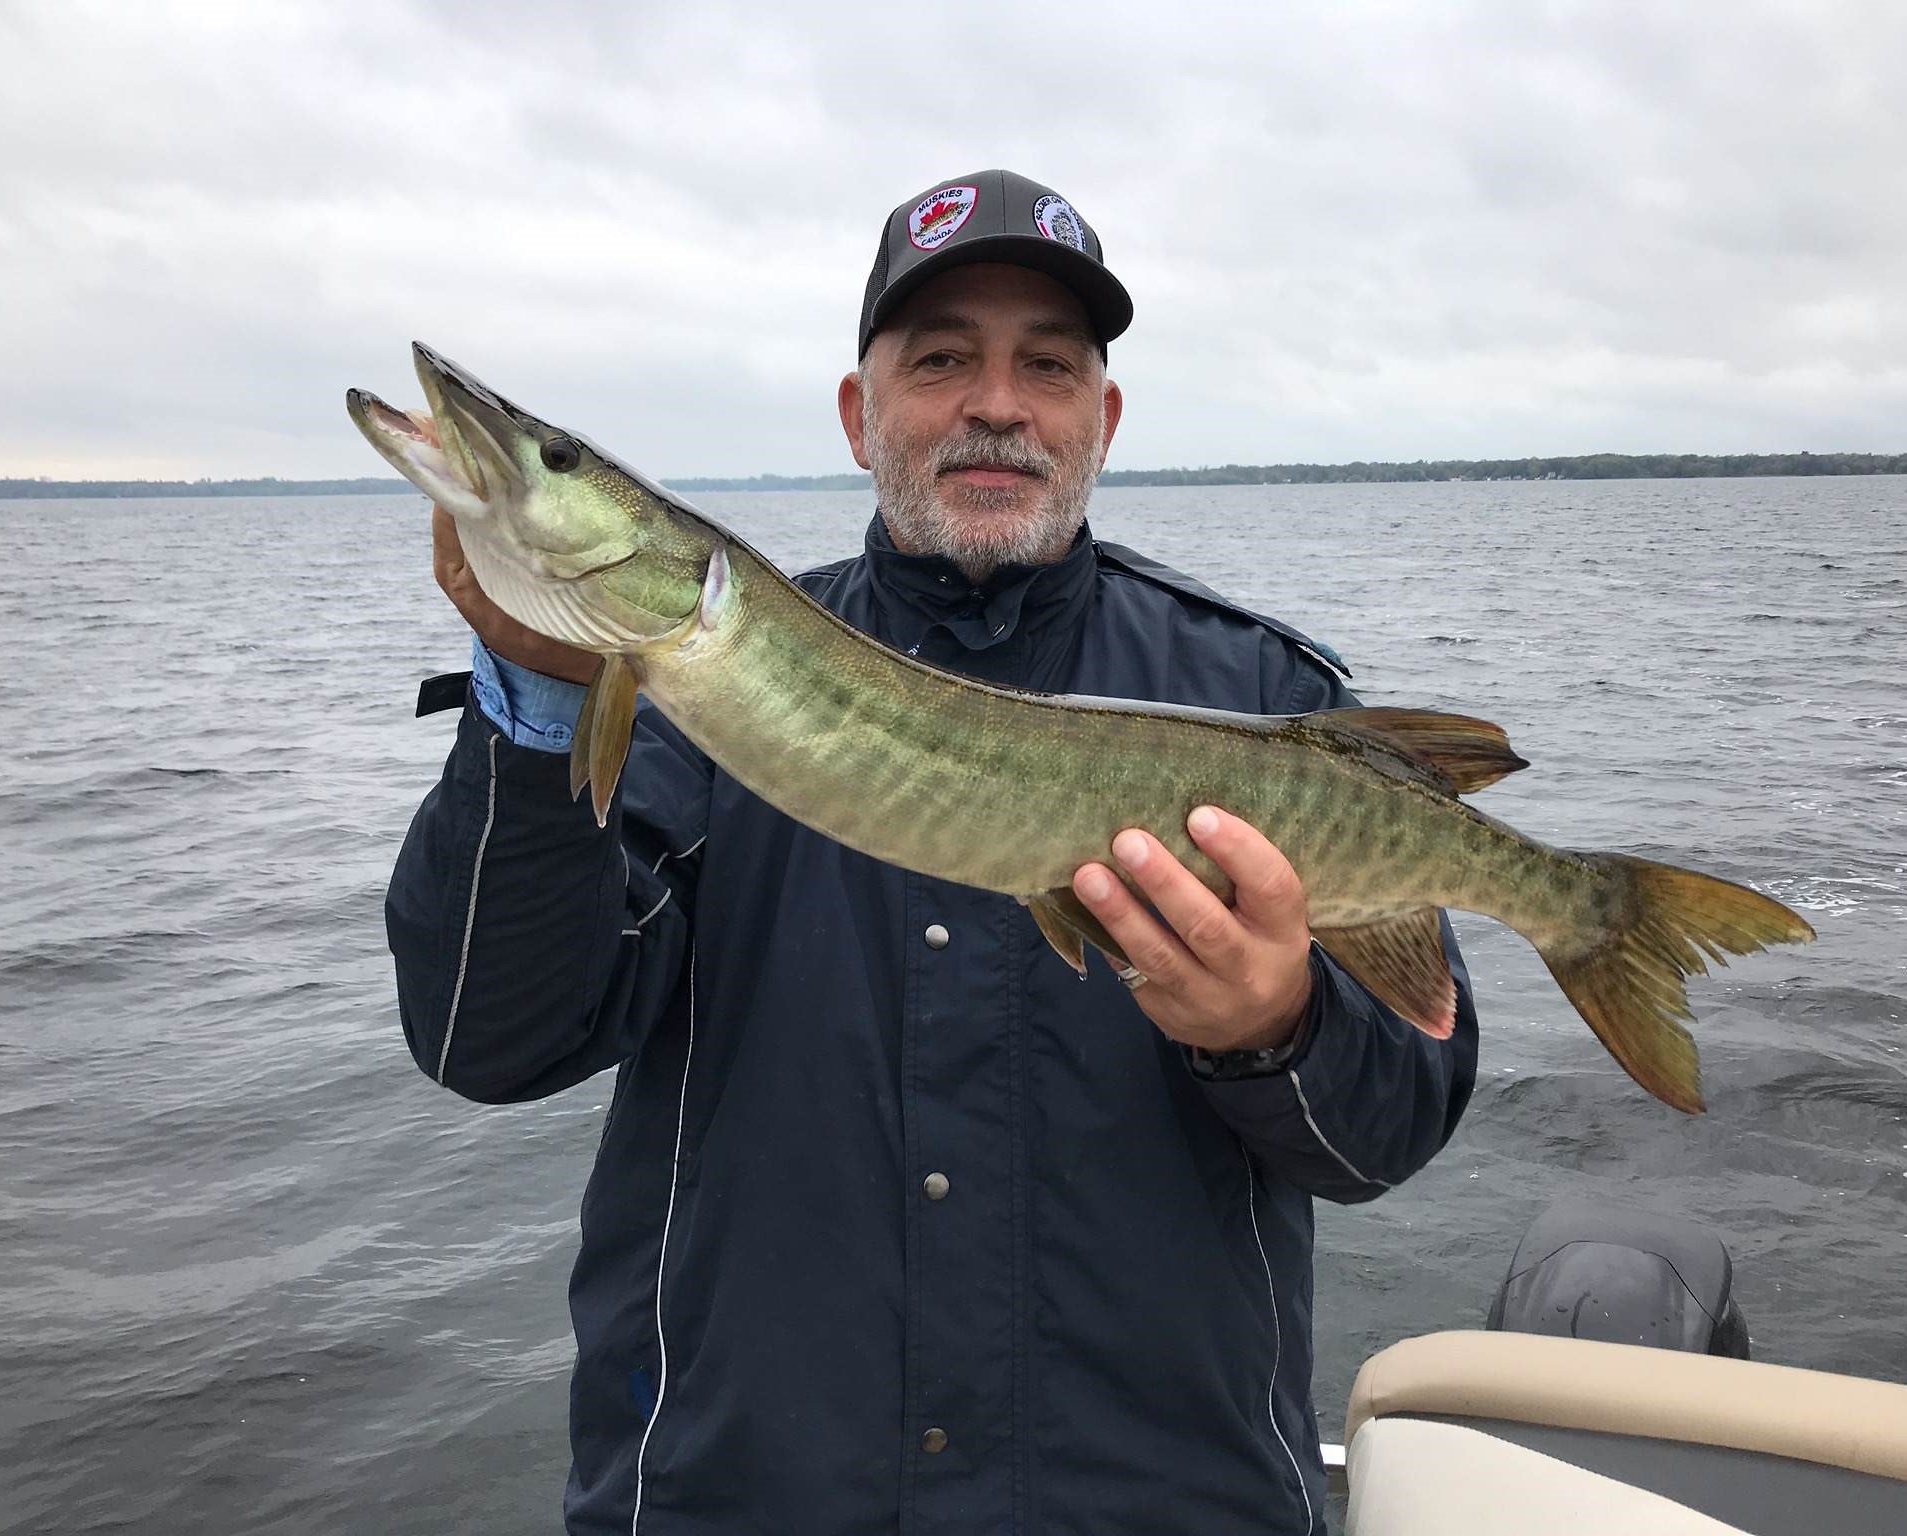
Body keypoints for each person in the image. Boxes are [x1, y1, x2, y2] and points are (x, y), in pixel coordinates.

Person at [387, 168, 1478, 1536]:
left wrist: (1281, 1028)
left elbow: (1385, 1136)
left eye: (1049, 366)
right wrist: (536, 714)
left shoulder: (1270, 697)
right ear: (860, 415)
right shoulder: (686, 704)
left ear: (1103, 419)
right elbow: (489, 1037)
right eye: (942, 358)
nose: (998, 404)